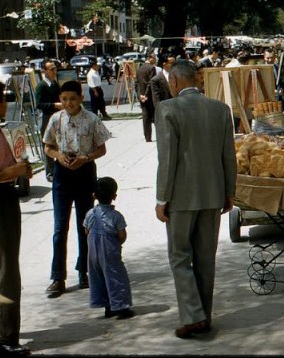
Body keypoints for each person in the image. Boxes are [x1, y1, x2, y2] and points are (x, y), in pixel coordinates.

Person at [154, 59, 236, 338]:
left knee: (179, 257)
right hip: (213, 194)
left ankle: (192, 315)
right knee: (205, 257)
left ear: (175, 81)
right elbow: (229, 155)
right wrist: (229, 192)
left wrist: (162, 198)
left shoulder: (167, 109)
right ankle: (204, 315)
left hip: (181, 196)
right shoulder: (220, 109)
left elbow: (167, 158)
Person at [42, 80, 111, 296]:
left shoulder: (91, 119)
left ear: (81, 98)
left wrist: (86, 158)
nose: (68, 103)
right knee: (60, 228)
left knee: (85, 225)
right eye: (64, 99)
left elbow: (102, 148)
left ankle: (85, 272)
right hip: (62, 177)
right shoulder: (55, 119)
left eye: (72, 99)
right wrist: (58, 156)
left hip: (84, 173)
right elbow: (47, 147)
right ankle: (57, 277)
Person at [0, 81, 33, 355]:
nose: (6, 104)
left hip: (3, 200)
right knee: (4, 271)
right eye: (3, 99)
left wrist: (18, 170)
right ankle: (4, 336)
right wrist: (10, 172)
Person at [83, 177, 135, 320]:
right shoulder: (116, 216)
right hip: (109, 251)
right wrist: (117, 243)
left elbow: (86, 231)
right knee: (115, 276)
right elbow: (122, 235)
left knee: (98, 277)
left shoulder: (90, 214)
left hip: (93, 252)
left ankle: (107, 306)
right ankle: (121, 307)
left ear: (94, 196)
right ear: (114, 196)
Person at [35, 60, 62, 181]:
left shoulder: (55, 83)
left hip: (57, 117)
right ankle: (50, 173)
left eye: (55, 69)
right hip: (46, 118)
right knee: (48, 144)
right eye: (51, 69)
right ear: (45, 71)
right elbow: (39, 104)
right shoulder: (42, 86)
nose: (54, 71)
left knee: (59, 144)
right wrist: (54, 105)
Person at [136, 54, 157, 142]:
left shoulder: (139, 68)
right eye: (154, 58)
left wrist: (140, 95)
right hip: (150, 96)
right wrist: (146, 94)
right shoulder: (152, 68)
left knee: (145, 116)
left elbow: (137, 83)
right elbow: (150, 83)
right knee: (155, 116)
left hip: (142, 96)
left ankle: (147, 137)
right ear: (149, 58)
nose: (155, 59)